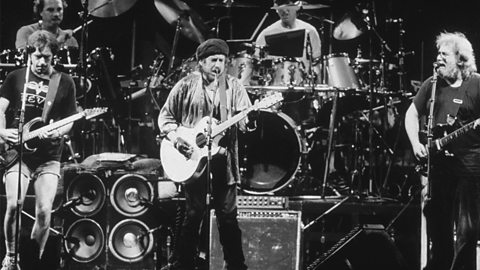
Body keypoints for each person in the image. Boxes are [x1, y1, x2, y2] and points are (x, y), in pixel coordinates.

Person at [157, 38, 250, 270]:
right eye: (213, 60)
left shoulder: (234, 86)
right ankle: (182, 263)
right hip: (192, 158)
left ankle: (236, 265)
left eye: (222, 60)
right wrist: (177, 140)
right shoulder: (185, 85)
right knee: (193, 212)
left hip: (224, 159)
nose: (218, 65)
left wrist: (248, 120)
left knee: (227, 215)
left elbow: (244, 123)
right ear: (201, 63)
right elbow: (165, 118)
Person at [0, 30, 77, 269]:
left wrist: (58, 132)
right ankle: (12, 257)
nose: (42, 62)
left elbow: (71, 119)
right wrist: (1, 132)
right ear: (29, 56)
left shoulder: (64, 82)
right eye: (37, 57)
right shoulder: (15, 77)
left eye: (47, 57)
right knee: (14, 204)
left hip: (49, 155)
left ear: (54, 56)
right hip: (18, 153)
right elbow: (0, 109)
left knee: (44, 210)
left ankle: (34, 258)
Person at [405, 32, 480, 270]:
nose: (438, 58)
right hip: (438, 167)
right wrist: (416, 144)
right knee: (438, 229)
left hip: (469, 169)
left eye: (444, 54)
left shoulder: (477, 83)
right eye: (438, 53)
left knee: (468, 231)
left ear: (460, 59)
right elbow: (411, 113)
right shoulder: (432, 85)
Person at [255, 0, 322, 82]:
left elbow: (316, 62)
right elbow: (256, 62)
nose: (285, 12)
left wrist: (319, 88)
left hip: (303, 84)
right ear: (277, 10)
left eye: (288, 8)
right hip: (275, 86)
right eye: (281, 9)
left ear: (296, 8)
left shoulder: (310, 31)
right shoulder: (266, 33)